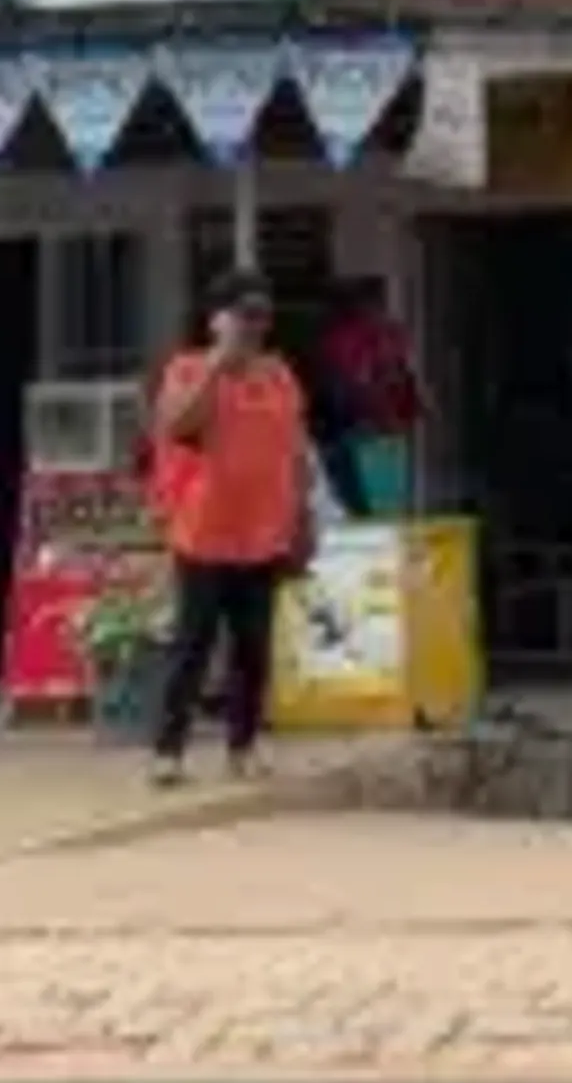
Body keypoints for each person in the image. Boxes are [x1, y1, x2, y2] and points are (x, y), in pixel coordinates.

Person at [144, 268, 322, 787]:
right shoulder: (187, 368)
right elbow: (179, 427)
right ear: (217, 318)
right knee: (193, 645)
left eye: (264, 315)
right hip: (204, 533)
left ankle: (242, 748)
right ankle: (168, 752)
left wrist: (304, 520)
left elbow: (296, 450)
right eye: (246, 314)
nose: (257, 326)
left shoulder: (280, 374)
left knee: (253, 649)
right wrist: (217, 365)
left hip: (264, 532)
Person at [313, 275, 425, 521]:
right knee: (381, 503)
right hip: (376, 426)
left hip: (368, 426)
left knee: (369, 504)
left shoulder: (351, 337)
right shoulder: (386, 334)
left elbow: (381, 378)